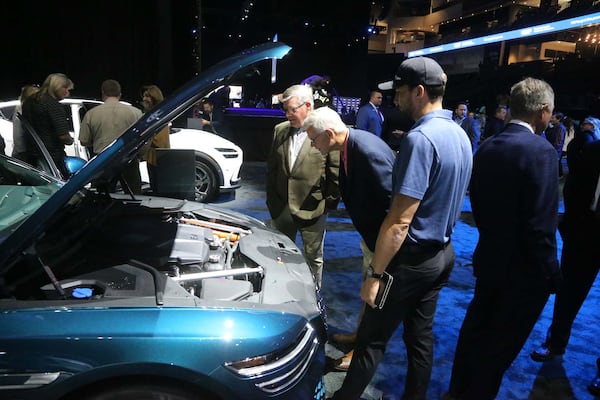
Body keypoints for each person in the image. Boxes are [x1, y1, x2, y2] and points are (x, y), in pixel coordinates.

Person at [329, 56, 472, 400]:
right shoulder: (459, 133)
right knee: (420, 341)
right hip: (443, 254)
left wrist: (375, 275)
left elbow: (399, 220)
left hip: (408, 262)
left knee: (371, 342)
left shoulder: (420, 139)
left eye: (401, 91)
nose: (395, 98)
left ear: (419, 92)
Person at [446, 77, 561, 400]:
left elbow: (478, 208)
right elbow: (541, 225)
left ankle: (457, 392)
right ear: (542, 111)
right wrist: (552, 273)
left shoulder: (487, 147)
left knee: (475, 334)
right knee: (498, 351)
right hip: (524, 273)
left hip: (489, 259)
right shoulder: (542, 152)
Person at [301, 106, 396, 371]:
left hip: (383, 242)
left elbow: (393, 205)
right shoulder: (349, 147)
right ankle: (358, 337)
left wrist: (381, 250)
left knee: (376, 298)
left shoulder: (366, 151)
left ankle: (361, 351)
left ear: (329, 134)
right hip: (372, 237)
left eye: (314, 139)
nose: (312, 144)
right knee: (368, 292)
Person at [530, 117, 600, 363]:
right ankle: (555, 343)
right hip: (586, 235)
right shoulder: (593, 151)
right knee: (568, 293)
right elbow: (572, 190)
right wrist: (571, 229)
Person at [265, 84, 340, 287]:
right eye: (285, 110)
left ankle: (312, 299)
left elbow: (334, 173)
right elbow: (272, 169)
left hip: (313, 209)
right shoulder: (279, 131)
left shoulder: (325, 131)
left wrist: (326, 205)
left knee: (313, 259)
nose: (288, 114)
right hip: (281, 208)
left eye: (292, 109)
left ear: (308, 106)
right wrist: (272, 202)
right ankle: (280, 291)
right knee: (280, 256)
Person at [79, 79, 143, 193]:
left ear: (103, 93)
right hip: (129, 159)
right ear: (120, 94)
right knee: (135, 195)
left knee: (102, 197)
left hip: (103, 161)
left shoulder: (91, 114)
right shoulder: (136, 112)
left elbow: (84, 141)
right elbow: (142, 138)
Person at [21, 73, 74, 179]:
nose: (67, 94)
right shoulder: (53, 105)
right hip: (51, 156)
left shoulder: (29, 102)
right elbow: (63, 135)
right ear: (58, 87)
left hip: (31, 153)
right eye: (66, 89)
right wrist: (70, 140)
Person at [141, 84, 170, 192]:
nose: (144, 99)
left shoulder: (160, 115)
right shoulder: (149, 115)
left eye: (147, 96)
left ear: (155, 97)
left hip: (159, 159)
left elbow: (159, 141)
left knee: (159, 190)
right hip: (151, 158)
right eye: (144, 96)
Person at [11, 84, 40, 163]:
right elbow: (20, 136)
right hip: (24, 155)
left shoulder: (19, 110)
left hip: (21, 153)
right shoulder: (23, 112)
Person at [544, 111, 567, 176]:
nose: (551, 119)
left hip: (555, 151)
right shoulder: (555, 127)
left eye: (553, 118)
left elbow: (558, 142)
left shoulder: (560, 128)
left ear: (558, 119)